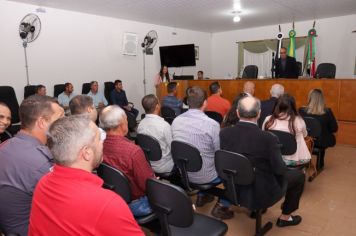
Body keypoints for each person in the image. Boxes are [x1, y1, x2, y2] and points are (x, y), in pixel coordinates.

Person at [28, 116, 143, 235]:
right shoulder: (107, 203)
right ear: (87, 153)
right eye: (100, 138)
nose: (103, 142)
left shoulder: (43, 183)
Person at [220, 96, 305, 227]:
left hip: (233, 187)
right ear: (259, 113)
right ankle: (285, 217)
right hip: (261, 192)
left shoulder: (224, 133)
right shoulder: (268, 138)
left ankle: (256, 208)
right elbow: (279, 170)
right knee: (298, 176)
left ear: (237, 112)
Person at [0, 95, 64, 236]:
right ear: (42, 122)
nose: (64, 124)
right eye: (60, 118)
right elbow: (66, 207)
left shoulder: (6, 145)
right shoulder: (41, 163)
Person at [171, 86, 233, 220]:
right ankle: (222, 205)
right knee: (230, 168)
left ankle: (201, 195)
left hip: (184, 173)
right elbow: (219, 153)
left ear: (187, 102)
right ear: (205, 102)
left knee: (201, 155)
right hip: (206, 176)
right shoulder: (212, 125)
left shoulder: (176, 121)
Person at [100, 105, 155, 217]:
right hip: (135, 204)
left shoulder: (98, 146)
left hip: (111, 199)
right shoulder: (133, 151)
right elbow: (148, 186)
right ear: (121, 124)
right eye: (126, 118)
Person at [263, 94, 311, 166]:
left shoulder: (268, 119)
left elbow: (264, 135)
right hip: (294, 159)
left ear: (277, 105)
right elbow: (305, 134)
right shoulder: (299, 120)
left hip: (272, 157)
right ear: (293, 106)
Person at [299, 89, 338, 170]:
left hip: (305, 140)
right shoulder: (327, 112)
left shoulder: (301, 110)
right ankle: (320, 165)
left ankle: (306, 162)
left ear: (309, 98)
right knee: (325, 135)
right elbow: (334, 128)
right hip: (321, 141)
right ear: (322, 99)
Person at [137, 94, 174, 173]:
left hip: (147, 163)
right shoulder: (164, 126)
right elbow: (173, 148)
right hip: (164, 165)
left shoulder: (140, 124)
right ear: (157, 106)